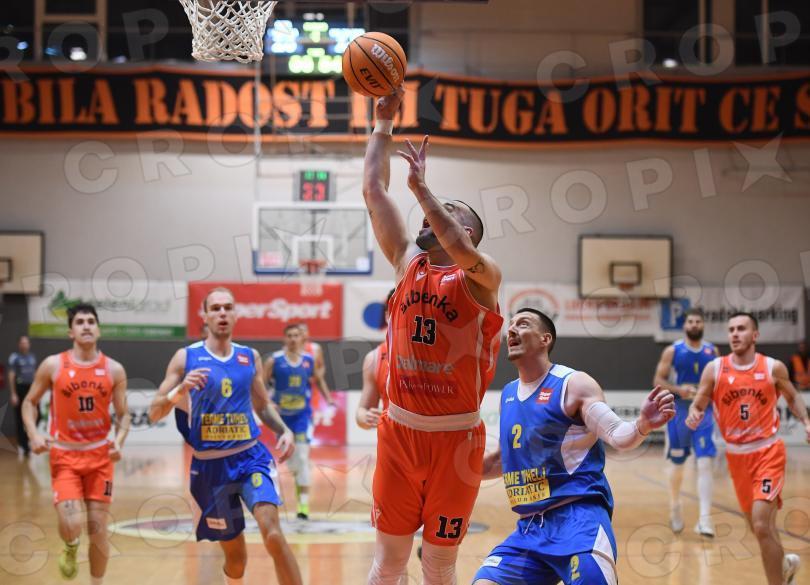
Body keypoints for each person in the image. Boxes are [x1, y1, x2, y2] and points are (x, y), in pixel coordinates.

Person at [363, 85, 504, 584]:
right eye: (431, 210)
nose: (432, 214)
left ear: (471, 235)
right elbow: (374, 191)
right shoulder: (407, 263)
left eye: (449, 211)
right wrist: (382, 123)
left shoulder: (482, 277)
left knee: (439, 564)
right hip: (399, 433)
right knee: (389, 562)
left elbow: (459, 248)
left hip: (456, 441)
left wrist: (424, 190)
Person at [472, 308, 675, 585]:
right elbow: (502, 460)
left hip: (578, 521)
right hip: (530, 528)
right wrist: (446, 471)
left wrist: (643, 424)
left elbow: (618, 434)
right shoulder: (508, 393)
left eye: (523, 324)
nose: (512, 329)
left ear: (545, 339)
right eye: (511, 325)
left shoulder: (573, 384)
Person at [148, 287, 302, 585]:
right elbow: (155, 412)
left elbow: (261, 405)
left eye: (227, 308)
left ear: (235, 315)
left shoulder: (249, 357)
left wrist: (284, 430)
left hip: (250, 458)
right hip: (210, 468)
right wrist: (180, 390)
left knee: (272, 533)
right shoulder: (185, 358)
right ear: (204, 315)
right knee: (236, 559)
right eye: (215, 308)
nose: (222, 313)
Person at [687, 312, 810, 585]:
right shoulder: (715, 369)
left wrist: (806, 420)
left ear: (755, 335)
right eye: (731, 329)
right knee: (758, 528)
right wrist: (694, 413)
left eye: (741, 328)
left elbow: (792, 398)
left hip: (768, 451)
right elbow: (699, 402)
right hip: (736, 456)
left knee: (762, 523)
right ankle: (784, 566)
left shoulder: (773, 367)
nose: (734, 333)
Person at [22, 303, 130, 584]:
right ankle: (70, 545)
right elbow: (29, 402)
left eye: (91, 321)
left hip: (100, 457)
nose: (86, 326)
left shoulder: (114, 369)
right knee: (71, 524)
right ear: (70, 332)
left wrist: (119, 441)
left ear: (99, 329)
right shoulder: (53, 365)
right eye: (80, 322)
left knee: (98, 529)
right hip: (65, 455)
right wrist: (34, 434)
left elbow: (124, 414)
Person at [653, 307, 718, 536]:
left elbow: (719, 380)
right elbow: (658, 380)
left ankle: (705, 519)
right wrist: (679, 389)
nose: (694, 325)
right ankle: (675, 505)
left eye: (698, 321)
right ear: (685, 325)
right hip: (679, 412)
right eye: (690, 321)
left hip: (703, 411)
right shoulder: (673, 350)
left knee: (705, 461)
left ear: (703, 325)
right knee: (677, 466)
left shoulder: (712, 351)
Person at [264, 323, 324, 520]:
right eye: (289, 335)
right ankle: (298, 486)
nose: (292, 338)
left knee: (303, 459)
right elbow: (260, 384)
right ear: (285, 338)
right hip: (281, 421)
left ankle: (303, 506)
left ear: (302, 338)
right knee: (293, 464)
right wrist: (268, 402)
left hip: (302, 417)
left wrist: (328, 398)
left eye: (296, 335)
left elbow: (316, 381)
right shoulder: (274, 360)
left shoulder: (308, 360)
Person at [356, 289, 395, 430]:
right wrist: (365, 417)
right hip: (392, 438)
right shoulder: (374, 358)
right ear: (387, 316)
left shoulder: (434, 354)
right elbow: (362, 411)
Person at [8, 335, 38, 457]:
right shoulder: (15, 357)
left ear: (29, 344)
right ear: (19, 345)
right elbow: (11, 375)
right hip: (20, 388)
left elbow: (35, 374)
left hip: (31, 389)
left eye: (26, 343)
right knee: (20, 417)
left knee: (35, 415)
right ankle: (24, 445)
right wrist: (13, 393)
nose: (24, 345)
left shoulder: (32, 357)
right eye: (22, 343)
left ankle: (30, 440)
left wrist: (37, 390)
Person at [299, 323, 335, 408]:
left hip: (312, 384)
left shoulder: (315, 348)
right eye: (300, 331)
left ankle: (328, 398)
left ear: (308, 332)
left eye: (304, 330)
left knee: (311, 409)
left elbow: (321, 366)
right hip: (297, 384)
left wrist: (318, 377)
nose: (302, 333)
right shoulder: (291, 349)